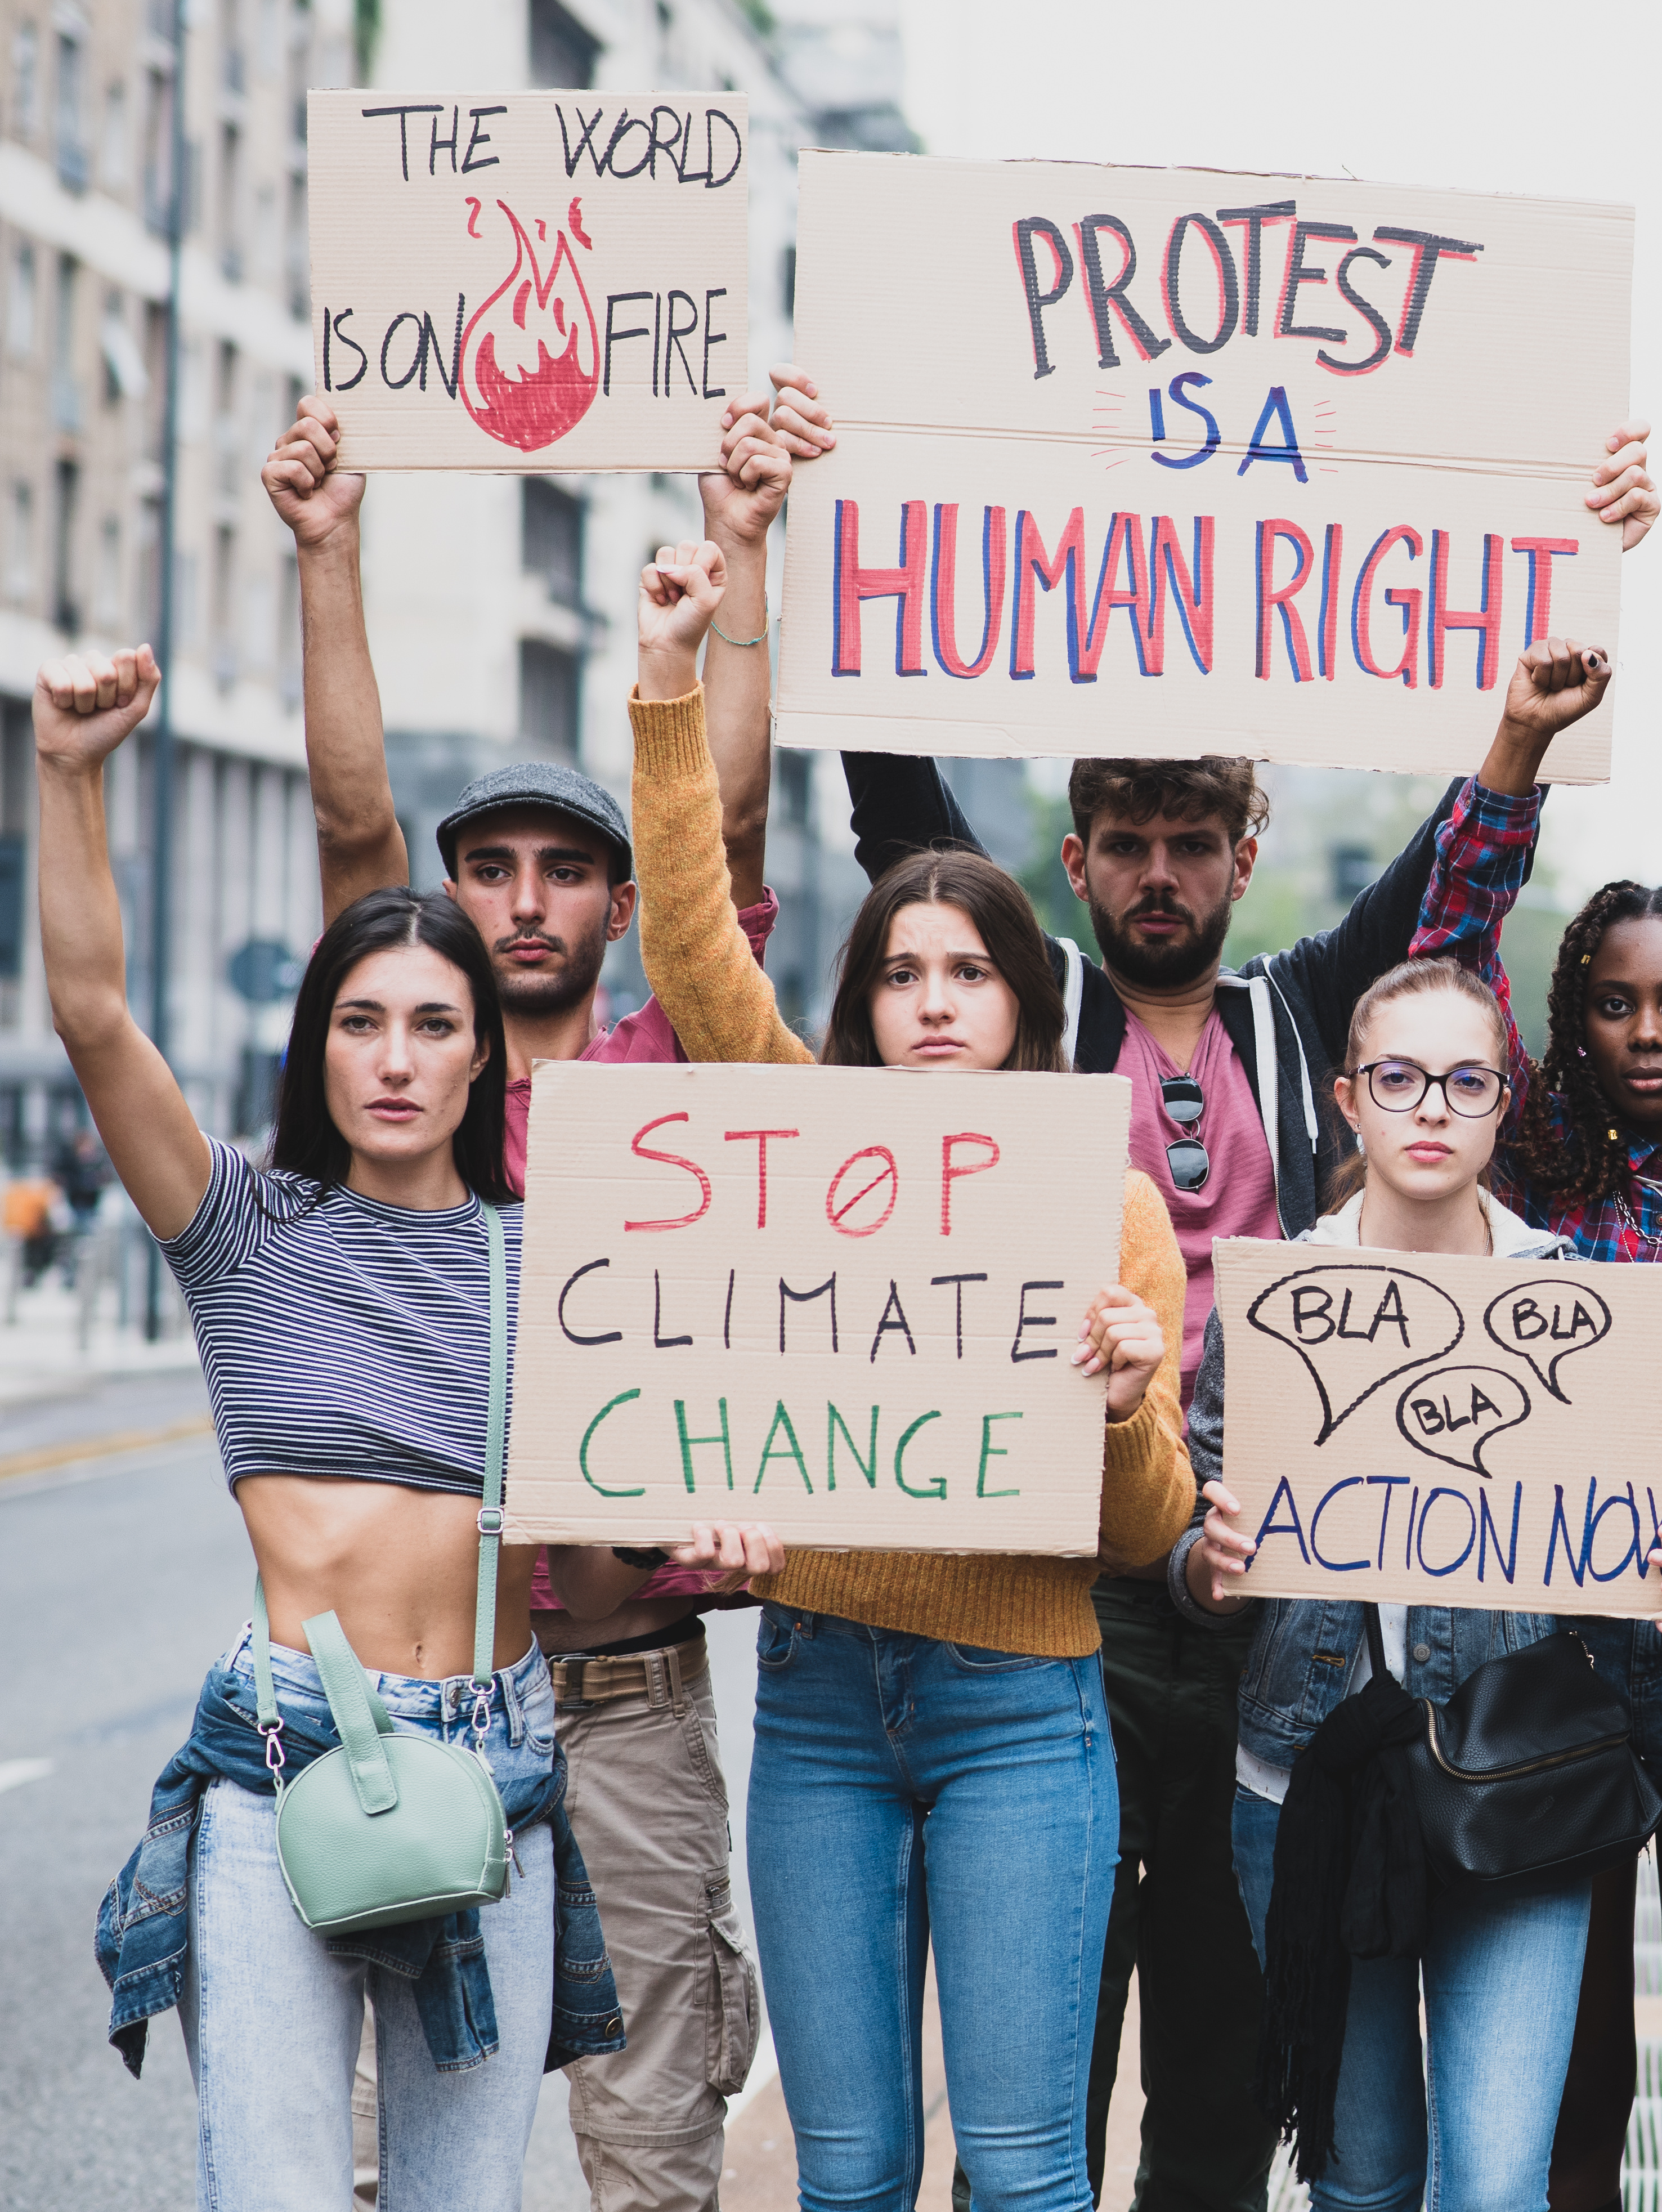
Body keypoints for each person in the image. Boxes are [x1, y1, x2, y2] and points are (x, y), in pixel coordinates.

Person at [846, 426, 1659, 2212]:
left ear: (1242, 853)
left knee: (1226, 2034)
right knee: (1040, 2042)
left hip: (1282, 1578)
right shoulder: (1021, 1004)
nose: (1160, 870)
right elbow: (899, 821)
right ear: (1070, 858)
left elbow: (1463, 886)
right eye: (1127, 841)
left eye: (1192, 842)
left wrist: (1518, 732)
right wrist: (829, 579)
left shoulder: (1309, 1019)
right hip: (1054, 1570)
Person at [46, 646, 772, 2205]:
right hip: (286, 1768)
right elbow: (95, 1010)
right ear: (319, 1040)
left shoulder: (551, 1257)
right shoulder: (244, 1226)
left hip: (503, 1768)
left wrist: (694, 1534)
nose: (396, 1058)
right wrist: (67, 775)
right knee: (288, 2187)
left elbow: (584, 1555)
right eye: (362, 1021)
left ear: (480, 1051)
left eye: (434, 1025)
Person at [262, 373, 836, 2212]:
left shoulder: (671, 1068)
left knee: (649, 2159)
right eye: (486, 870)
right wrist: (327, 556)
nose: (520, 901)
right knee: (396, 2164)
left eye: (564, 872)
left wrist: (740, 551)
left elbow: (724, 835)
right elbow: (354, 823)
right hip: (420, 1710)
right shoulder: (406, 1083)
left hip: (625, 1692)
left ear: (611, 901)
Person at [625, 540, 1195, 2210]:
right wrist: (672, 680)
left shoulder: (1109, 1205)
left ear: (1024, 1003)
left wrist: (1124, 1393)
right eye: (900, 972)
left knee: (1022, 2174)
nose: (934, 1002)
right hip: (818, 1701)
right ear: (862, 1007)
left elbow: (1148, 1528)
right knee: (851, 2172)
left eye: (969, 973)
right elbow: (689, 954)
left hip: (1022, 1709)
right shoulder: (804, 1142)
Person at [1171, 954, 1662, 2212]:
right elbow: (1199, 1576)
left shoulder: (1573, 1304)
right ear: (1350, 1098)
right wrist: (1212, 1562)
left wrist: (1650, 1564)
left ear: (1503, 1102)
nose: (1431, 1108)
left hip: (1514, 1781)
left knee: (1495, 2184)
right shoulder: (1270, 1302)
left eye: (1465, 1082)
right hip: (1304, 1782)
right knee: (1362, 2182)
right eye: (1400, 1078)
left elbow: (1606, 1556)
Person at [1404, 742, 1662, 2212]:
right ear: (1573, 1016)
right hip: (1551, 1657)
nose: (1647, 1031)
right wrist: (1514, 767)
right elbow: (1442, 957)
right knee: (1568, 2085)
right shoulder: (1519, 1174)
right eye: (1614, 1000)